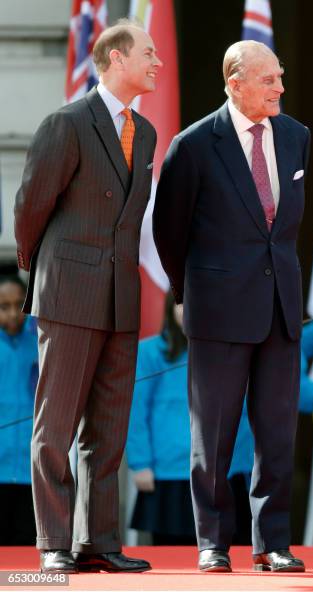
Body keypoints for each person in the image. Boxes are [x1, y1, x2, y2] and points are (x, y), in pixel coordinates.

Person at [153, 40, 309, 573]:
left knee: (277, 431)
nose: (280, 88)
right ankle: (213, 542)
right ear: (235, 82)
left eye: (280, 77)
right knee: (214, 435)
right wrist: (191, 288)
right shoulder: (195, 144)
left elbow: (285, 228)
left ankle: (272, 542)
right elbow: (168, 230)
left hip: (281, 309)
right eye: (269, 79)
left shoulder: (296, 137)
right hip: (217, 309)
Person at [13, 20, 161, 574]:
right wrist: (46, 272)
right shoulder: (67, 123)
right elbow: (30, 208)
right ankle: (54, 542)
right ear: (116, 59)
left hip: (121, 296)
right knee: (55, 427)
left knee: (107, 430)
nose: (157, 63)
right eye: (148, 54)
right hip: (69, 294)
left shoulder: (144, 133)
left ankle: (96, 542)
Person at [126, 292, 255, 546]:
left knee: (233, 559)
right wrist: (140, 463)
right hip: (171, 476)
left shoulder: (236, 352)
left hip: (228, 474)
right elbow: (135, 411)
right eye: (182, 305)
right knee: (175, 565)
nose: (190, 311)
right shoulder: (150, 352)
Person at [0, 276, 38, 546]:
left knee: (27, 548)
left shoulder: (42, 341)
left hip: (32, 471)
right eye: (4, 306)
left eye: (18, 305)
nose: (13, 313)